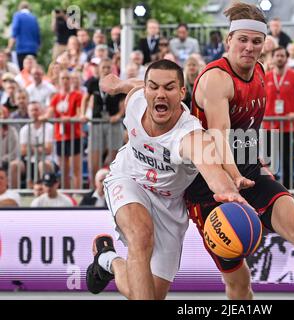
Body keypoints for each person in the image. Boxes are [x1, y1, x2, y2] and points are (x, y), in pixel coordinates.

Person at [187, 2, 294, 300]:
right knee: (240, 285)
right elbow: (219, 136)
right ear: (228, 40)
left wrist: (258, 164)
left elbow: (246, 132)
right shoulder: (216, 79)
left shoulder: (259, 71)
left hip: (248, 172)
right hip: (209, 186)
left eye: (256, 41)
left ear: (265, 44)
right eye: (242, 40)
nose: (249, 47)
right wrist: (233, 176)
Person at [86, 59, 248, 300]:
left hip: (169, 204)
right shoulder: (137, 100)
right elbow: (135, 86)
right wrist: (118, 84)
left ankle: (109, 260)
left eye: (170, 88)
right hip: (128, 179)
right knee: (140, 237)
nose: (160, 94)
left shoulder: (191, 136)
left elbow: (213, 171)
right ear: (146, 89)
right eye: (153, 87)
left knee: (146, 293)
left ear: (182, 92)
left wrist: (229, 193)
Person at [263, 46, 294, 188]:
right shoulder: (266, 76)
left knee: (287, 162)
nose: (280, 58)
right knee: (269, 163)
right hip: (269, 126)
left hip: (288, 127)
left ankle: (287, 192)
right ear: (273, 58)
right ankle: (270, 191)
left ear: (287, 58)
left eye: (282, 56)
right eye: (277, 55)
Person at [81, 58, 125, 187]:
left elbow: (123, 103)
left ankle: (114, 186)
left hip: (113, 122)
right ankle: (94, 187)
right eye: (103, 67)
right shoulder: (93, 82)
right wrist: (83, 114)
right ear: (99, 69)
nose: (105, 70)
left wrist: (118, 115)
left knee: (114, 155)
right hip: (97, 121)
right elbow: (86, 98)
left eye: (108, 67)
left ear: (112, 69)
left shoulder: (117, 83)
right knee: (94, 154)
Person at [9, 101, 55, 189]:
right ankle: (14, 193)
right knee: (14, 165)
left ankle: (43, 192)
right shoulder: (25, 129)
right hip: (28, 160)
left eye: (36, 110)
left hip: (47, 160)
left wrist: (30, 148)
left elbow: (48, 150)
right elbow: (22, 151)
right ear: (28, 112)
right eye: (31, 110)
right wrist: (40, 148)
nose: (34, 112)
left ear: (42, 111)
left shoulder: (49, 127)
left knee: (43, 164)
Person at [5, 1, 40, 70]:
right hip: (33, 50)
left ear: (19, 8)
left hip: (22, 49)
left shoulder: (18, 16)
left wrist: (9, 48)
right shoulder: (34, 18)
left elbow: (14, 33)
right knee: (32, 70)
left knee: (23, 71)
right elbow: (38, 37)